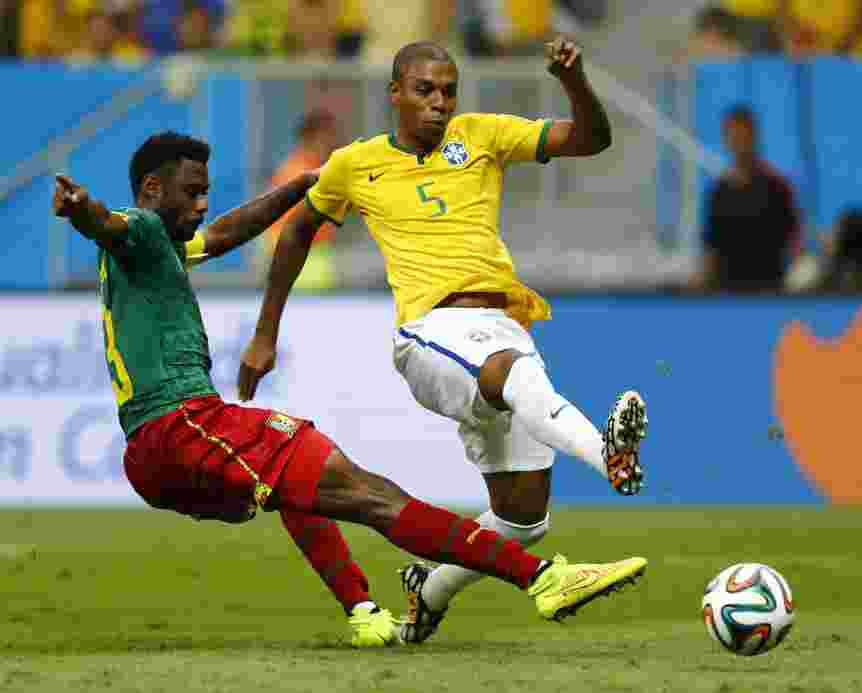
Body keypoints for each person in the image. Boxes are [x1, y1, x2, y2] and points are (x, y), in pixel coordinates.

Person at [50, 132, 648, 649]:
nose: (203, 205)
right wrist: (83, 211)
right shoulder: (142, 227)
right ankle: (541, 578)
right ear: (152, 189)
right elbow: (109, 223)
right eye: (192, 193)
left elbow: (231, 231)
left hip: (151, 456)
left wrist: (307, 185)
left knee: (300, 488)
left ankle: (363, 611)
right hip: (183, 423)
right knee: (369, 492)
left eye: (206, 192)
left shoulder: (160, 246)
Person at [238, 38, 649, 644]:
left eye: (449, 91)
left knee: (522, 516)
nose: (439, 103)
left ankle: (425, 593)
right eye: (426, 90)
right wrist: (265, 332)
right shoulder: (356, 163)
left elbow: (592, 140)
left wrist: (576, 81)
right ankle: (608, 456)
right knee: (512, 372)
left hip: (502, 325)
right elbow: (296, 232)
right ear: (395, 93)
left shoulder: (481, 135)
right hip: (431, 332)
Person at [697, 105, 800, 292]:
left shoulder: (777, 188)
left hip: (768, 290)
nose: (739, 142)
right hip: (727, 292)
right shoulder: (718, 192)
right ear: (725, 140)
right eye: (733, 136)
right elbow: (710, 248)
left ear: (755, 137)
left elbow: (794, 241)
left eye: (744, 135)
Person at [263, 109, 340, 291]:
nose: (332, 144)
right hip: (302, 263)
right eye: (326, 137)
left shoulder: (317, 170)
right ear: (311, 138)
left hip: (314, 260)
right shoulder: (296, 173)